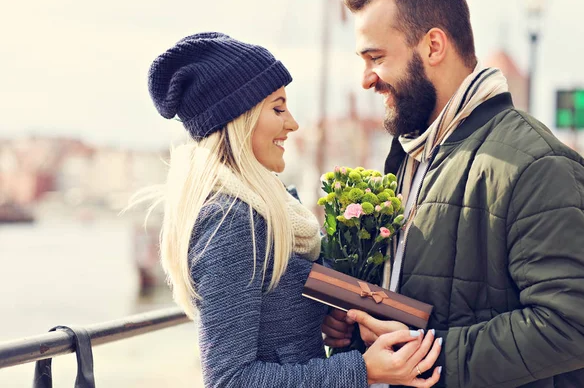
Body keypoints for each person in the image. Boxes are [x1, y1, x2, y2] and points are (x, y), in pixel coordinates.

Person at [323, 0, 584, 387]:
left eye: (376, 58)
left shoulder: (538, 166)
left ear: (434, 46)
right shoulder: (411, 157)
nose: (367, 79)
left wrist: (425, 355)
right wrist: (356, 326)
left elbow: (579, 325)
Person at [143, 32, 443, 387]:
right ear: (240, 120)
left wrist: (331, 314)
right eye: (278, 108)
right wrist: (364, 370)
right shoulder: (229, 222)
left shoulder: (274, 207)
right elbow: (229, 380)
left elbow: (280, 314)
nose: (293, 123)